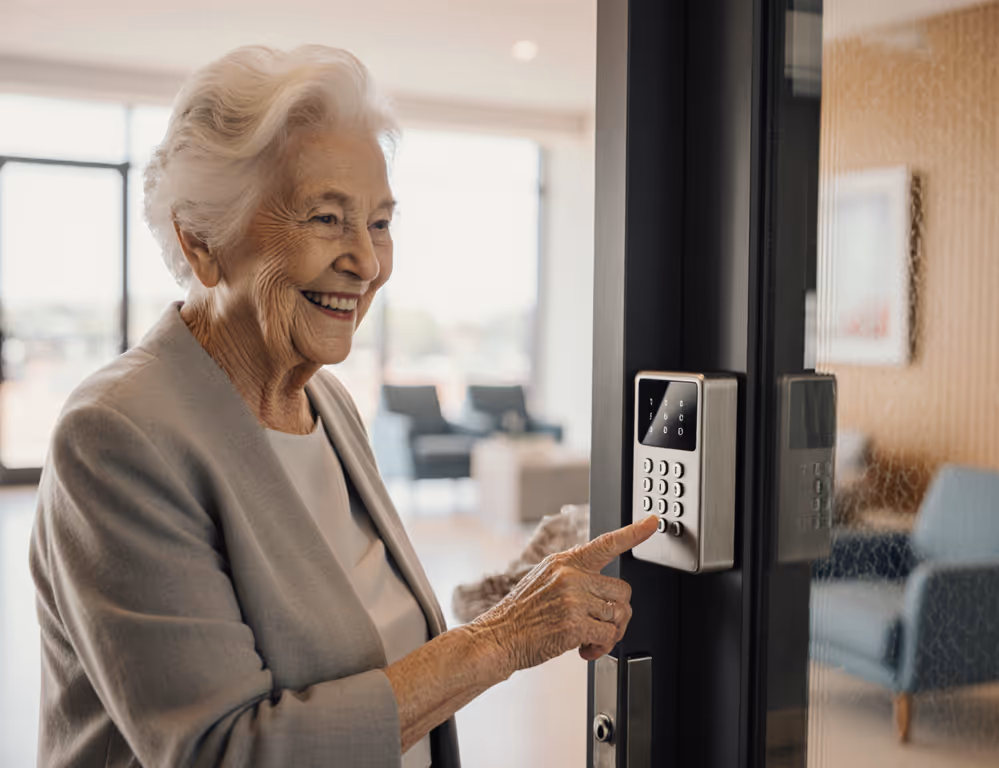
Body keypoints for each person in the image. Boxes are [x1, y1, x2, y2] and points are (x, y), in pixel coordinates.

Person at [29, 45, 657, 768]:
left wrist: (510, 598)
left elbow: (361, 653)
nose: (366, 260)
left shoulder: (325, 401)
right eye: (327, 219)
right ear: (201, 242)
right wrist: (502, 639)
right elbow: (226, 754)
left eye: (381, 222)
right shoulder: (117, 437)